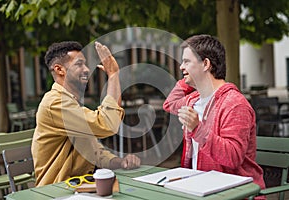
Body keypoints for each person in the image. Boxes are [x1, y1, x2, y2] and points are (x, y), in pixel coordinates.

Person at [163, 35, 266, 194]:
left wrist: (197, 128)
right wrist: (192, 76)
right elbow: (169, 104)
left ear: (205, 64)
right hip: (201, 188)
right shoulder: (194, 99)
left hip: (235, 193)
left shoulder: (235, 104)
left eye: (187, 61)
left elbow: (232, 157)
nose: (181, 67)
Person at [32, 41, 140, 186]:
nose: (87, 69)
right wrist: (113, 75)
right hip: (57, 190)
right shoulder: (55, 103)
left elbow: (95, 152)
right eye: (79, 64)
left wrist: (121, 162)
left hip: (82, 185)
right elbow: (107, 124)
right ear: (59, 70)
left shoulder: (69, 101)